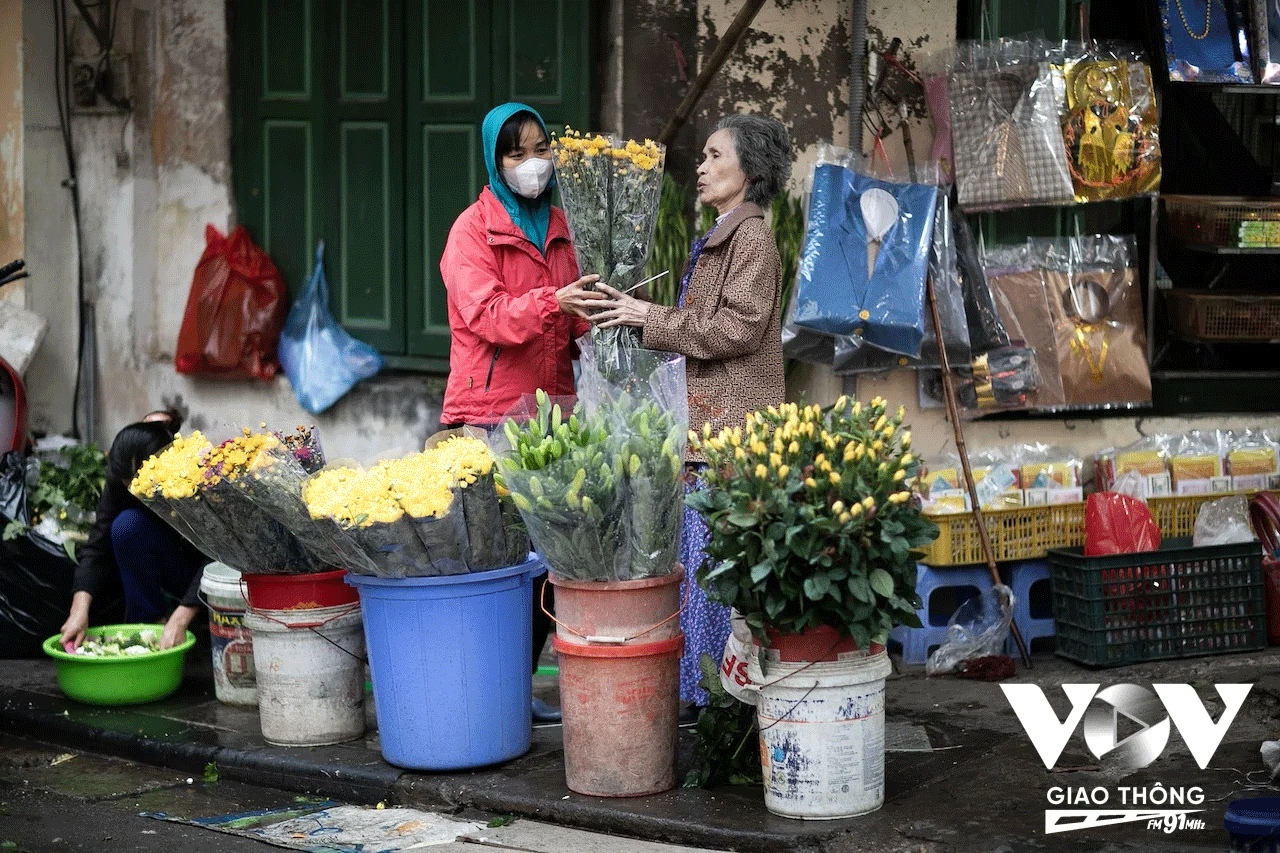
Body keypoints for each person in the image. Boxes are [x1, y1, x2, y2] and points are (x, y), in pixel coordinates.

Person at [559, 114, 792, 714]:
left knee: (717, 572)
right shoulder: (724, 234)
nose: (702, 166)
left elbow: (736, 330)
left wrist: (647, 318)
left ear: (752, 172)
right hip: (708, 425)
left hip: (731, 431)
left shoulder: (752, 240)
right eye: (704, 156)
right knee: (700, 567)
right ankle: (703, 694)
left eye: (717, 156)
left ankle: (720, 699)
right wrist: (636, 313)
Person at [439, 102, 598, 723]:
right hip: (489, 413)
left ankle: (522, 684)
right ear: (493, 160)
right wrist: (554, 300)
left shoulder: (562, 224)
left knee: (547, 557)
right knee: (499, 557)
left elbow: (573, 315)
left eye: (540, 149)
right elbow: (491, 317)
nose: (533, 163)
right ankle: (494, 689)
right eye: (516, 152)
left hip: (555, 412)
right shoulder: (470, 232)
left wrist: (607, 309)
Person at [60, 410, 209, 652]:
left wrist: (181, 617)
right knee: (127, 526)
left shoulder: (200, 477)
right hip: (166, 563)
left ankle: (187, 623)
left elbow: (219, 558)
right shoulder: (120, 481)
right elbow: (97, 544)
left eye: (142, 482)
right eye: (127, 483)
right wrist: (79, 609)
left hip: (203, 573)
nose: (135, 491)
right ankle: (150, 623)